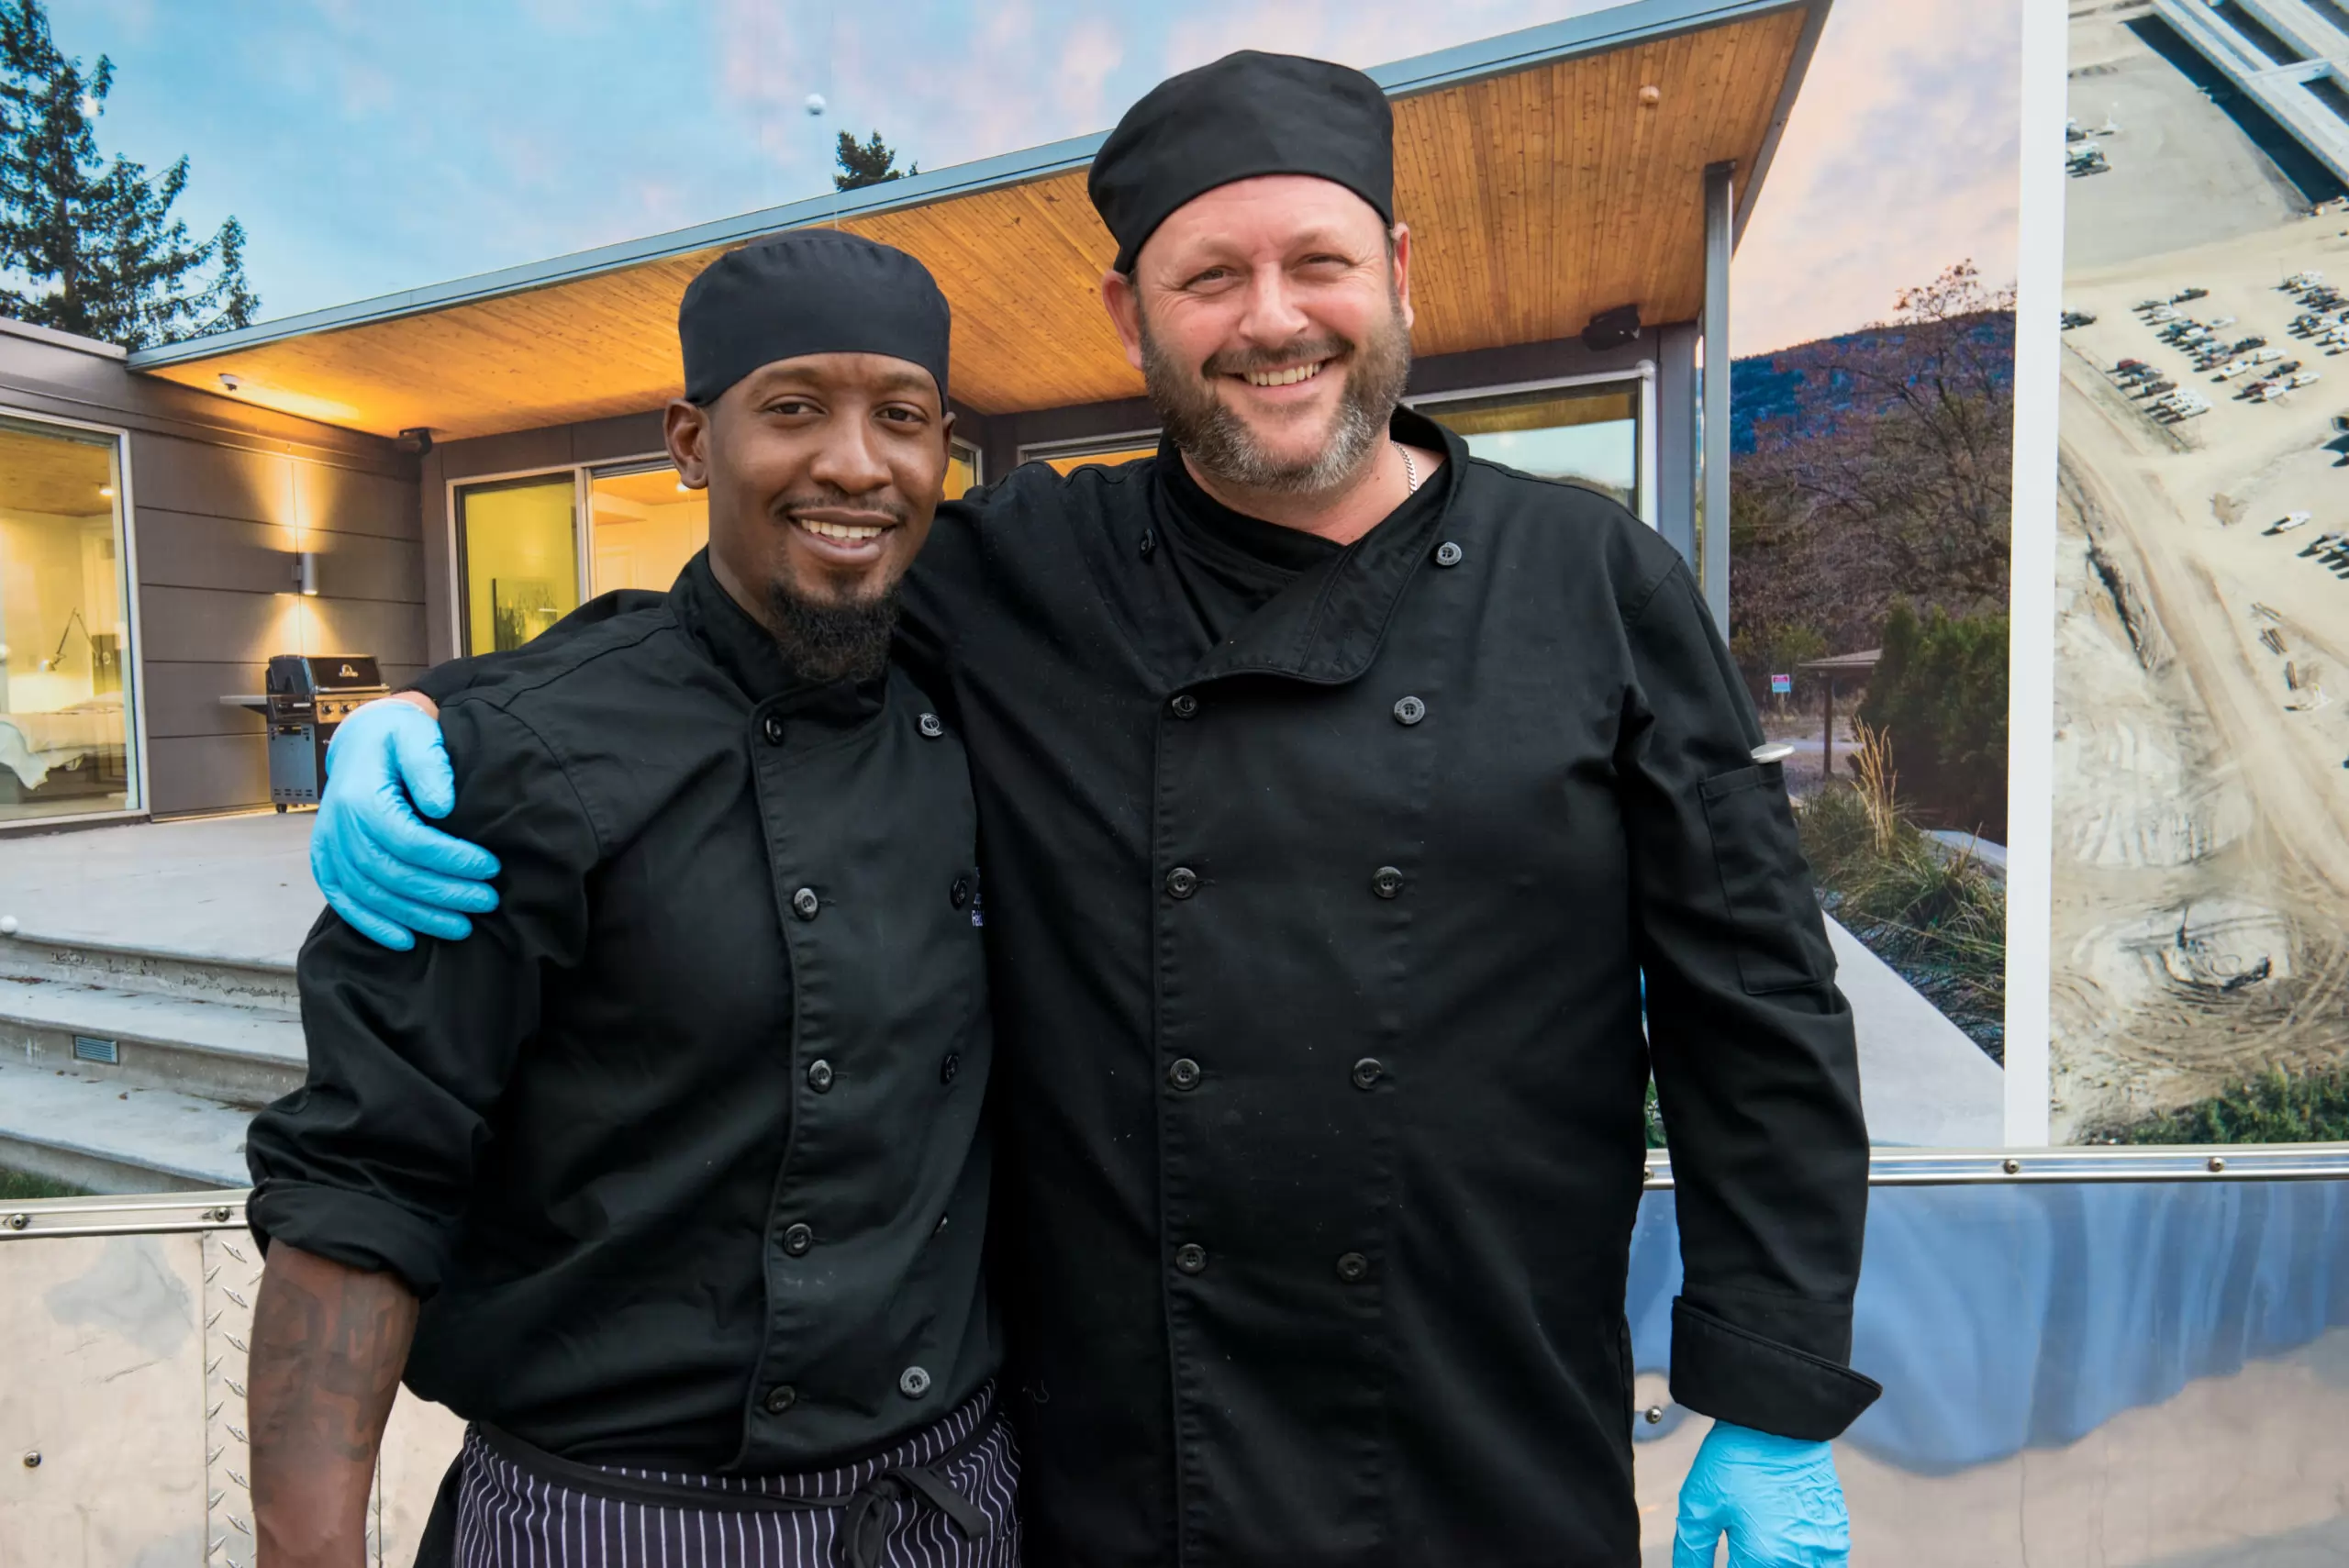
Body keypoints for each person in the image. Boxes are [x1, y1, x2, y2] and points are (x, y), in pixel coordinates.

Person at [313, 51, 1877, 1567]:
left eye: (1316, 264)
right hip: (1116, 1467)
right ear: (1133, 316)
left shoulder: (1594, 582)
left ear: (1397, 270)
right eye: (1211, 280)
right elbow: (745, 604)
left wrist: (1774, 1395)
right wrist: (437, 708)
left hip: (1485, 1423)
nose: (1272, 323)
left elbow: (1753, 1002)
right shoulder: (1023, 570)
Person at [243, 231, 1018, 1568]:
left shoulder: (989, 688)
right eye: (792, 408)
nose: (852, 460)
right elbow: (362, 1185)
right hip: (608, 1522)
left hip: (947, 1512)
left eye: (900, 417)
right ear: (690, 439)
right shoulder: (514, 769)